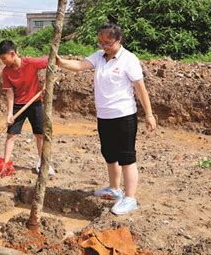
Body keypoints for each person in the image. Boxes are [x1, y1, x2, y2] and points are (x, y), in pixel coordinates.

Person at [56, 22, 156, 215]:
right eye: (101, 41)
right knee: (109, 154)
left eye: (108, 42)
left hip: (124, 115)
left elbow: (140, 89)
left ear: (118, 40)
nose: (104, 45)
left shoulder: (129, 59)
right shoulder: (99, 57)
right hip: (104, 115)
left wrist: (149, 114)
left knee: (126, 157)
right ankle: (114, 189)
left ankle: (130, 198)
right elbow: (79, 65)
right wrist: (61, 62)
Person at [0, 40, 54, 176]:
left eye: (4, 58)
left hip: (35, 104)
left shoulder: (30, 63)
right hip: (18, 105)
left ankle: (44, 164)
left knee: (39, 135)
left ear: (12, 53)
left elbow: (52, 62)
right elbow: (9, 93)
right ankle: (6, 164)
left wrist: (47, 83)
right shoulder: (6, 72)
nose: (3, 61)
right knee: (11, 135)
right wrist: (10, 114)